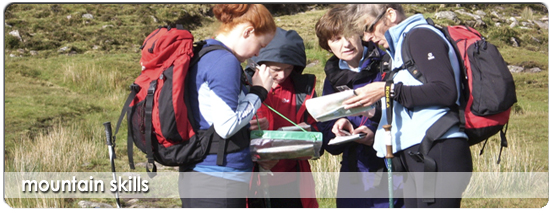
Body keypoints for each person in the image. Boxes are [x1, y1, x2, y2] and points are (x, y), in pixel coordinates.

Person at [342, 4, 473, 208]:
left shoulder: (420, 36)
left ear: (391, 15)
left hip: (437, 149)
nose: (367, 38)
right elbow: (414, 100)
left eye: (368, 28)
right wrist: (372, 110)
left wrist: (387, 90)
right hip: (418, 153)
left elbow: (445, 91)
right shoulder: (399, 49)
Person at [178, 4, 277, 208]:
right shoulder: (224, 61)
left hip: (200, 174)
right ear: (248, 32)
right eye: (260, 45)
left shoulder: (205, 52)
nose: (257, 54)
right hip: (218, 180)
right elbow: (226, 126)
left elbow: (213, 116)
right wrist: (260, 91)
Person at [314, 6, 403, 208]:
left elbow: (406, 110)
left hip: (392, 170)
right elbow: (327, 135)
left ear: (360, 33)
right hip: (353, 173)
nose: (346, 43)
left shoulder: (388, 63)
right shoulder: (331, 80)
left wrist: (375, 133)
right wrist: (338, 127)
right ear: (327, 47)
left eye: (349, 34)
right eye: (336, 39)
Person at [244, 27, 319, 208]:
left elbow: (318, 132)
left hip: (294, 183)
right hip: (252, 184)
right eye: (276, 69)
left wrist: (309, 135)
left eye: (289, 68)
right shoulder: (242, 88)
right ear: (258, 64)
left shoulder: (303, 89)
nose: (283, 75)